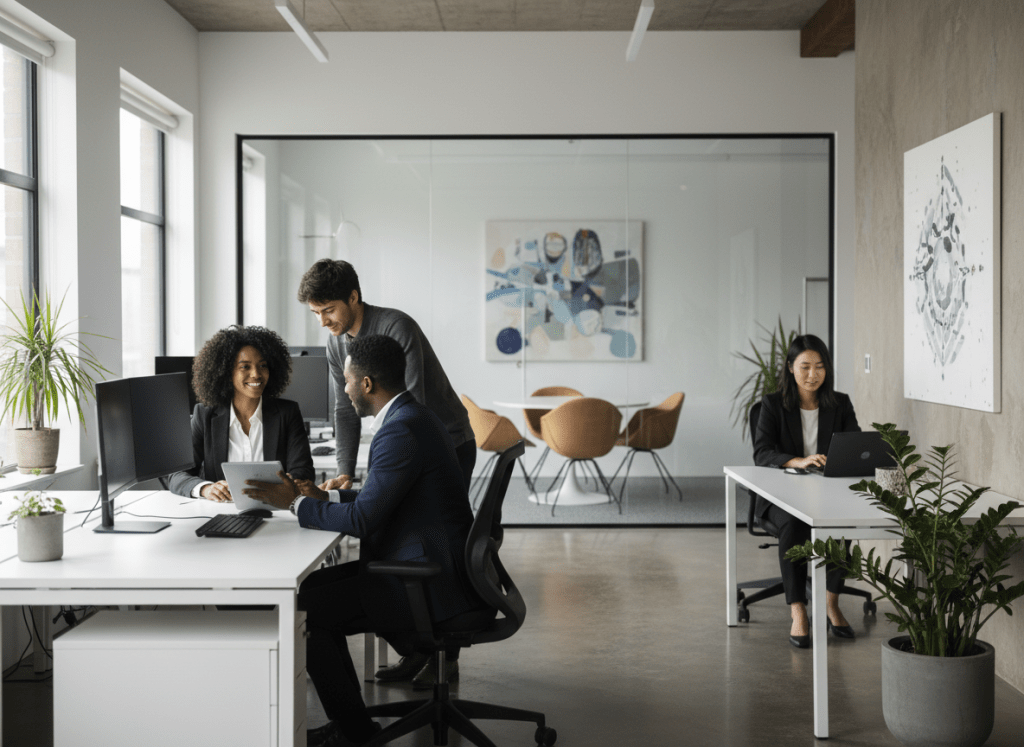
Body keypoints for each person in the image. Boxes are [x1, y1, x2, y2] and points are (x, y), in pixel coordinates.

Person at [243, 335, 482, 747]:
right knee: (310, 588)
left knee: (306, 608)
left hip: (427, 583)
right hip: (437, 564)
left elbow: (363, 520)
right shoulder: (414, 416)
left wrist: (296, 501)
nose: (345, 389)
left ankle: (354, 733)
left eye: (348, 381)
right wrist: (327, 496)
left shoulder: (400, 431)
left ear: (367, 384)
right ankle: (350, 722)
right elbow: (381, 498)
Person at [296, 258, 476, 686]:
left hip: (445, 439)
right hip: (405, 438)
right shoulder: (340, 344)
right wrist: (344, 474)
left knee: (425, 540)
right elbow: (346, 407)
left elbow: (410, 406)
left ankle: (440, 649)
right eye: (316, 314)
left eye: (329, 311)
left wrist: (383, 463)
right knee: (391, 537)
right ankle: (418, 646)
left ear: (353, 298)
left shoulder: (396, 327)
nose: (324, 322)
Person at [752, 334, 859, 649]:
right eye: (805, 367)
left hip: (826, 492)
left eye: (820, 367)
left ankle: (831, 603)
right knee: (794, 524)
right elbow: (761, 453)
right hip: (779, 494)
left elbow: (855, 446)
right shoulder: (772, 404)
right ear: (790, 368)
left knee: (843, 521)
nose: (813, 375)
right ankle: (798, 611)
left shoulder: (840, 404)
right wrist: (798, 461)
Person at [167, 325, 314, 500]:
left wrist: (290, 483)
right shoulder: (204, 414)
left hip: (276, 510)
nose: (256, 374)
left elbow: (303, 472)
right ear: (226, 372)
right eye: (245, 367)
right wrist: (206, 488)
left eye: (263, 366)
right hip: (220, 513)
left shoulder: (287, 413)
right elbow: (177, 476)